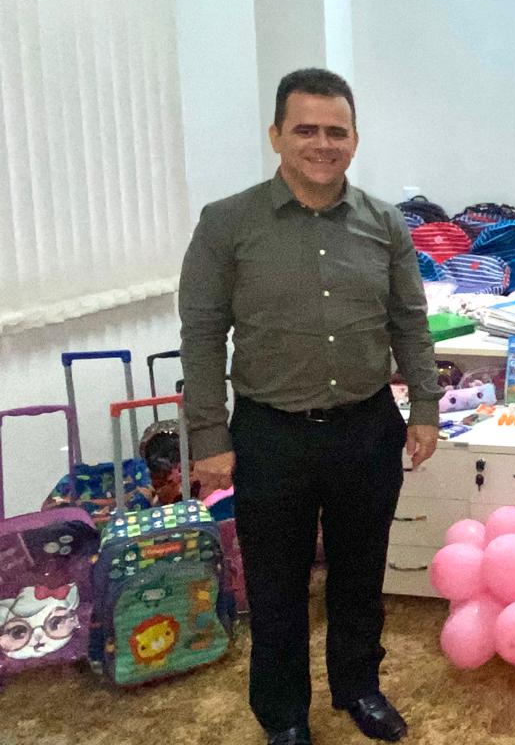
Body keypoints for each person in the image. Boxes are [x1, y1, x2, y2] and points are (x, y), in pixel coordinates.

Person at [179, 68, 444, 745]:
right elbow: (203, 333)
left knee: (360, 574)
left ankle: (358, 688)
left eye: (336, 131)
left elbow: (410, 323)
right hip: (270, 435)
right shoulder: (227, 223)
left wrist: (424, 408)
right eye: (306, 129)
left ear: (354, 139)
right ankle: (284, 715)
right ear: (276, 135)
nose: (322, 144)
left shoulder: (386, 223)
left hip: (366, 430)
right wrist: (209, 434)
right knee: (276, 588)